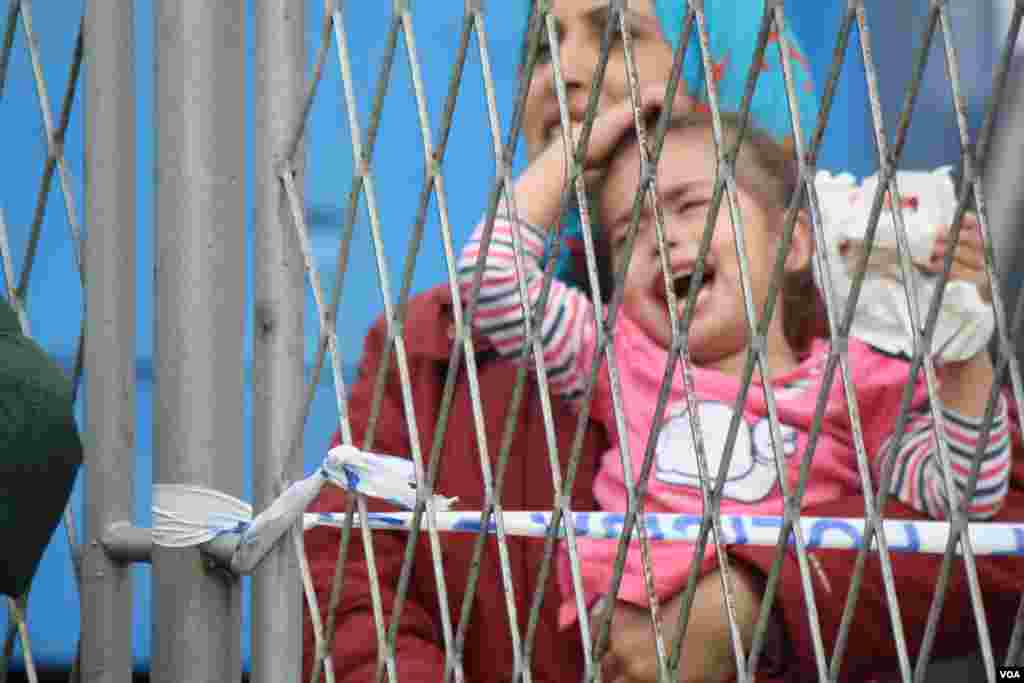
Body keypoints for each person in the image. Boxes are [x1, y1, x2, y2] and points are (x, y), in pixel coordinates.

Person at [303, 2, 1024, 681]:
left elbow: (988, 537)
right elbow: (347, 592)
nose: (567, 73)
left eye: (616, 31)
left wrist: (755, 601)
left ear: (731, 69)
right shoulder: (442, 346)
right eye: (541, 50)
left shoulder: (875, 321)